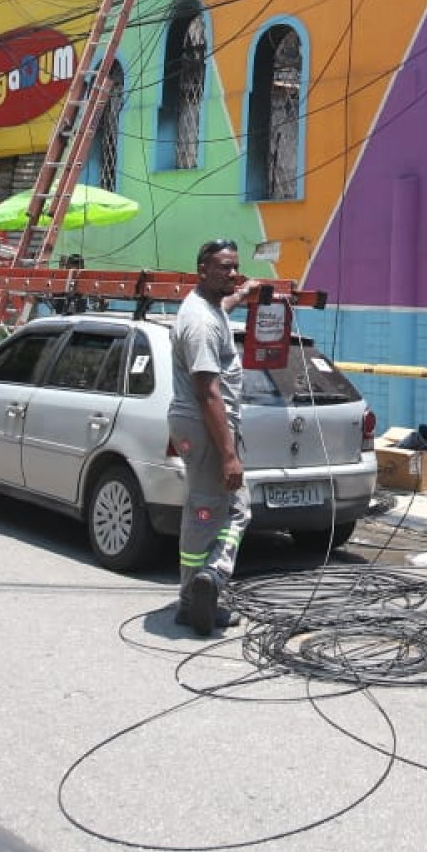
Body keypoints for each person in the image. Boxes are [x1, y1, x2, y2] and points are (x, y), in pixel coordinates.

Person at [168, 238, 254, 637]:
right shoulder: (200, 323)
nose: (232, 273)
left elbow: (222, 309)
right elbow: (208, 391)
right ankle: (207, 582)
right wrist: (229, 456)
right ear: (202, 269)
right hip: (206, 425)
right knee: (227, 509)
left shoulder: (208, 307)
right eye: (224, 267)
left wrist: (242, 294)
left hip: (198, 424)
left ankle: (196, 592)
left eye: (235, 266)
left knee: (206, 507)